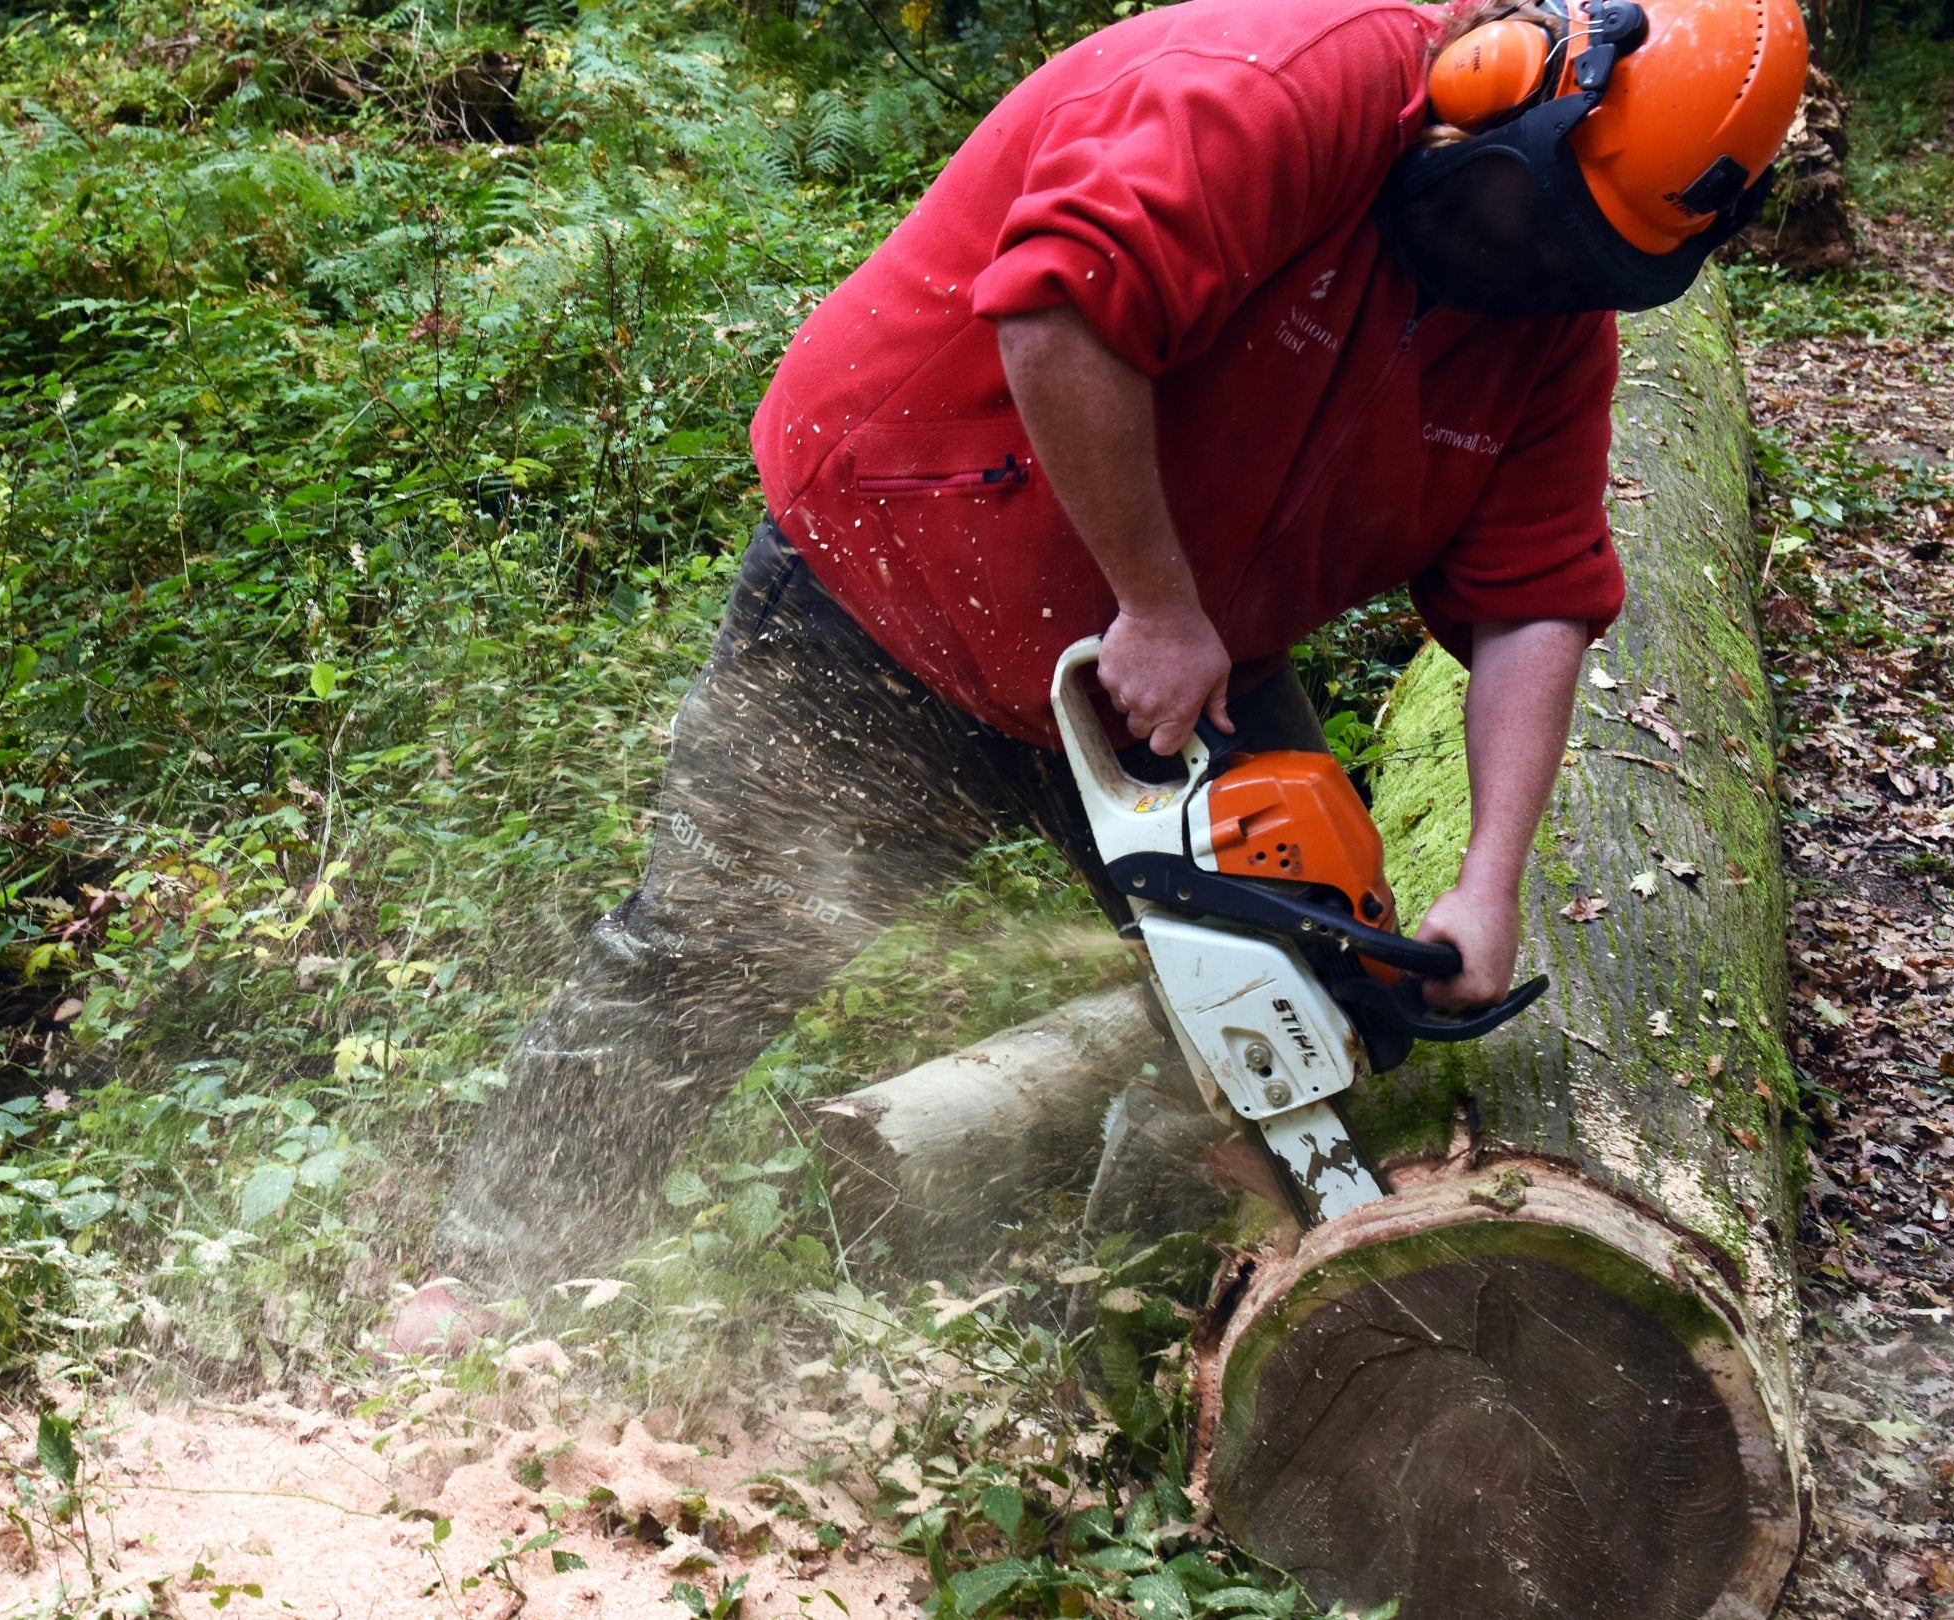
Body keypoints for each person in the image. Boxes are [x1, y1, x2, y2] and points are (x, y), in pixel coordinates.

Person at [390, 0, 1807, 1351]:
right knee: (712, 948)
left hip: (1188, 657)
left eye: (1587, 266)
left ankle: (1225, 1320)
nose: (1533, 271)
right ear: (1501, 90)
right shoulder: (1276, 87)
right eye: (1527, 220)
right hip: (896, 571)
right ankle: (489, 1290)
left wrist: (1491, 878)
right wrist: (1158, 604)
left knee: (1321, 986)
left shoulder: (1554, 323)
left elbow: (1535, 603)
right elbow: (1061, 311)